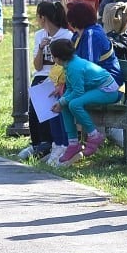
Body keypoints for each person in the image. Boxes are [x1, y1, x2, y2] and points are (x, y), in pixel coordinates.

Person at [53, 0, 124, 165]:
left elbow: (89, 65)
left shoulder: (92, 34)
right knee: (64, 102)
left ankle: (93, 136)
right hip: (90, 84)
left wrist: (67, 91)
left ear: (75, 20)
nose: (68, 23)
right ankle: (72, 143)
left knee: (72, 102)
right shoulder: (78, 35)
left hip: (106, 86)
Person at [48, 38, 121, 167]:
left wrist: (62, 101)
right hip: (98, 89)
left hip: (108, 90)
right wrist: (61, 102)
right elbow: (71, 88)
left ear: (58, 58)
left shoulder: (74, 68)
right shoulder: (69, 65)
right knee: (65, 105)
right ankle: (73, 143)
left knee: (74, 104)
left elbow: (78, 92)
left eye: (52, 56)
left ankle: (94, 135)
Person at [17, 1, 73, 161]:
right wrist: (41, 48)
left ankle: (52, 142)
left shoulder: (66, 35)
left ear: (43, 17)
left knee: (49, 99)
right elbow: (37, 66)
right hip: (42, 76)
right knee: (35, 102)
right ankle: (38, 142)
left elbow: (67, 64)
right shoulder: (39, 35)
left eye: (38, 16)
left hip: (58, 77)